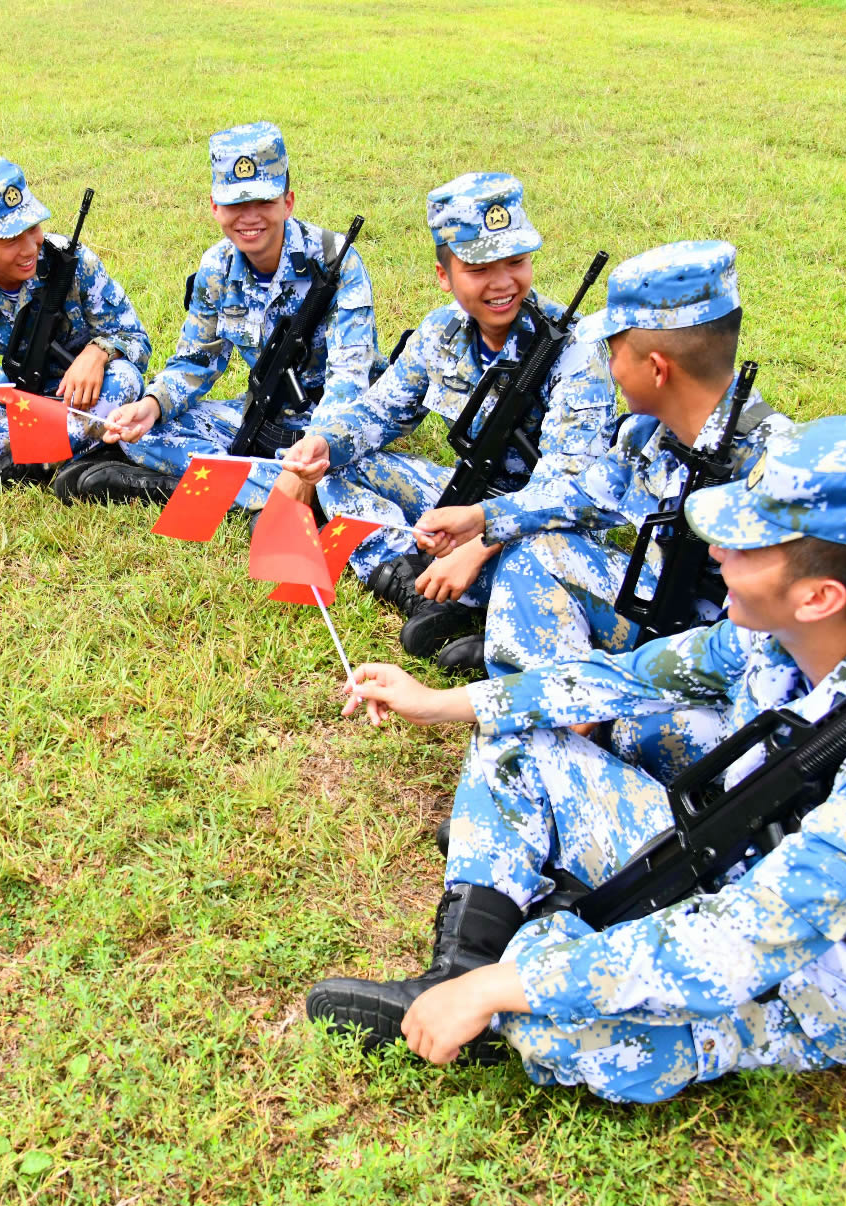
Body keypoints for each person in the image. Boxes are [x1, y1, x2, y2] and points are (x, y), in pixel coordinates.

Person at [306, 415, 846, 1105]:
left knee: (550, 1026)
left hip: (819, 980)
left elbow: (743, 944)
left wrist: (509, 986)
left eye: (748, 543)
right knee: (515, 734)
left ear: (821, 595)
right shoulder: (791, 631)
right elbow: (631, 679)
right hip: (729, 852)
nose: (719, 552)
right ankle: (454, 973)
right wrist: (438, 703)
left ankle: (505, 969)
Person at [413, 240, 790, 778]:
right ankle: (545, 727)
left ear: (657, 369)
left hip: (729, 680)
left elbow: (763, 661)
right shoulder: (648, 432)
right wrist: (483, 520)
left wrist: (610, 693)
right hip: (657, 619)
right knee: (537, 548)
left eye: (614, 352)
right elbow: (581, 496)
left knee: (644, 731)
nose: (608, 368)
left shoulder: (778, 474)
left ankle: (547, 759)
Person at [282, 173, 615, 670]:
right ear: (445, 275)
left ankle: (488, 606)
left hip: (547, 527)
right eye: (479, 267)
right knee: (338, 470)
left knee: (540, 559)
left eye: (516, 262)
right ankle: (408, 577)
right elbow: (381, 412)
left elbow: (567, 489)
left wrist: (479, 541)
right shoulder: (441, 332)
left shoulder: (575, 352)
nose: (503, 282)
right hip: (466, 499)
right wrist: (323, 445)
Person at [75, 122, 379, 508]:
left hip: (330, 426)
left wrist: (317, 449)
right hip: (261, 417)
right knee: (145, 434)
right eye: (235, 204)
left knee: (351, 472)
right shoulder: (216, 266)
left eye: (264, 202)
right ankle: (273, 492)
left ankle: (211, 484)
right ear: (215, 207)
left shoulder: (336, 261)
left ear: (288, 202)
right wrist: (149, 406)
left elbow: (349, 382)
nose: (249, 217)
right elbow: (195, 361)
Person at [0, 157, 151, 498]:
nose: (29, 247)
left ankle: (15, 464)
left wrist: (98, 352)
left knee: (126, 381)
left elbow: (136, 339)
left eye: (33, 228)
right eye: (11, 238)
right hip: (20, 398)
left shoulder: (73, 262)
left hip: (85, 398)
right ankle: (68, 451)